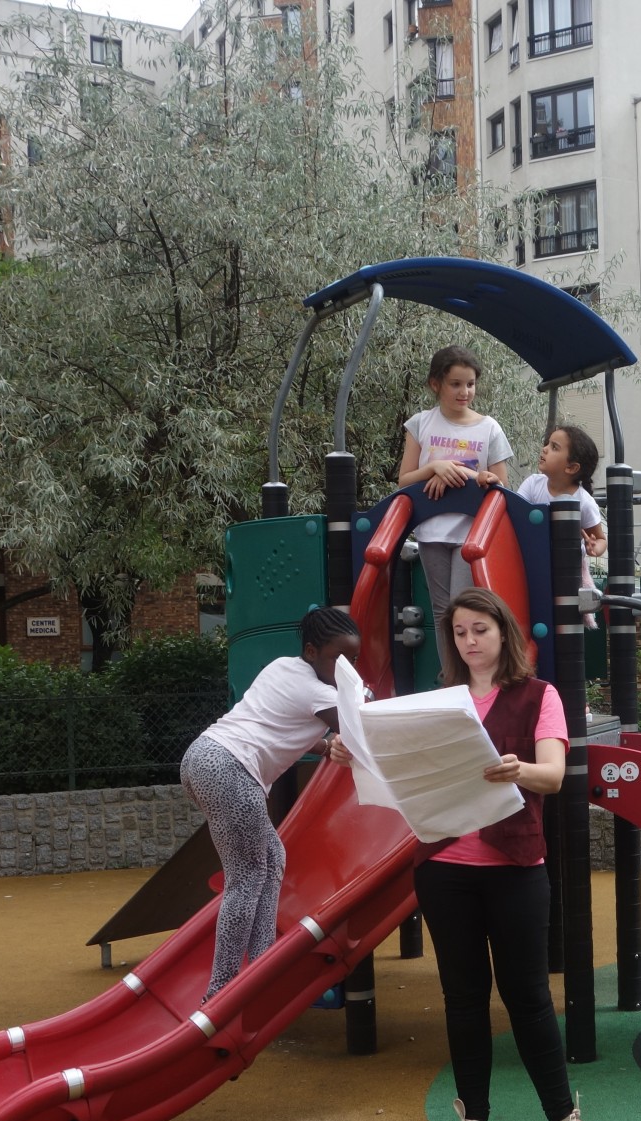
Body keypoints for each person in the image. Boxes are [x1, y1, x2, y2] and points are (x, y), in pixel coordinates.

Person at [414, 586, 617, 1121]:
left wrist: (518, 769)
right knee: (463, 997)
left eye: (480, 629)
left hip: (514, 867)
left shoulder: (539, 696)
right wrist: (357, 754)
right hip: (444, 866)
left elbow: (553, 776)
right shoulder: (441, 701)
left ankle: (562, 1119)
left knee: (528, 996)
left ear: (504, 632)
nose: (470, 641)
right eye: (459, 632)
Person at [183, 607, 359, 1001]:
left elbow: (279, 723)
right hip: (231, 768)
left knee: (272, 858)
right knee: (245, 878)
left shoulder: (283, 667)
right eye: (339, 658)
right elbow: (363, 728)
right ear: (312, 651)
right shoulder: (320, 692)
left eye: (354, 660)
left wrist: (326, 744)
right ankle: (223, 991)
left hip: (201, 757)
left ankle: (261, 962)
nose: (346, 667)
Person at [397, 345, 514, 618]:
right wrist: (435, 467)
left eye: (470, 384)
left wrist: (466, 475)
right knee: (442, 611)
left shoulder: (489, 428)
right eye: (456, 384)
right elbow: (405, 481)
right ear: (435, 384)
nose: (465, 392)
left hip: (471, 531)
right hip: (432, 530)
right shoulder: (420, 423)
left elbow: (501, 488)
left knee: (461, 606)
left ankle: (463, 663)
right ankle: (449, 664)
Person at [516, 425, 606, 624]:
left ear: (571, 467)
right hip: (535, 564)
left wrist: (594, 548)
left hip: (567, 570)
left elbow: (600, 539)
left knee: (563, 618)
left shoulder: (584, 501)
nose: (545, 449)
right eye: (547, 444)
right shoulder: (533, 484)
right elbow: (516, 513)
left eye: (554, 447)